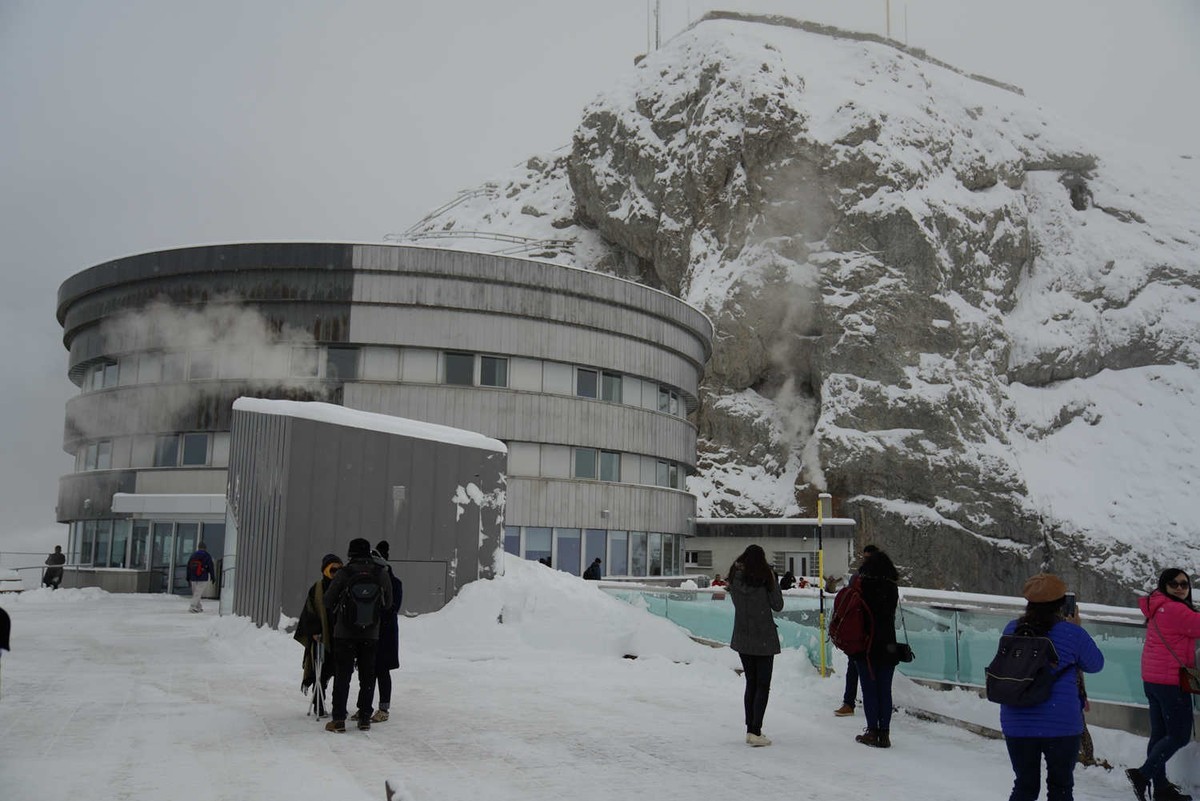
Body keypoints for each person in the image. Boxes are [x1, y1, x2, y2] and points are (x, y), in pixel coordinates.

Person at [1000, 573, 1104, 801]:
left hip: (1017, 721)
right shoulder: (1071, 633)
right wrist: (1077, 628)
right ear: (1062, 604)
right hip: (1061, 724)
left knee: (1024, 787)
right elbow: (1096, 664)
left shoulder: (1011, 629)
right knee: (1061, 788)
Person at [1126, 568, 1200, 801]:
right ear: (1164, 586)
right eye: (1174, 584)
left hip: (1153, 679)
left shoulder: (1157, 606)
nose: (1180, 587)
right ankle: (1143, 774)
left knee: (1159, 735)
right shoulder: (1175, 609)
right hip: (1170, 682)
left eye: (1184, 584)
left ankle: (1161, 789)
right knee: (1178, 735)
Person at [322, 537, 392, 733]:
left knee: (343, 675)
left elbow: (327, 600)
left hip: (344, 633)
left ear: (350, 553)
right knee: (367, 676)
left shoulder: (345, 572)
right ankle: (364, 718)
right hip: (370, 633)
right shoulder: (380, 573)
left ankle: (338, 720)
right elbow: (388, 603)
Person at [726, 544, 784, 746]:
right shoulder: (765, 577)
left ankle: (750, 728)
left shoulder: (735, 577)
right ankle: (755, 730)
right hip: (764, 638)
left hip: (743, 636)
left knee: (751, 683)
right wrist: (773, 580)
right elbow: (778, 605)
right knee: (763, 685)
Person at [851, 548, 902, 747]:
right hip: (888, 644)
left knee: (869, 689)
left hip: (866, 644)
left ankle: (872, 730)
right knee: (884, 690)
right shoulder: (892, 587)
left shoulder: (863, 586)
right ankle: (885, 733)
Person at [293, 553, 341, 718]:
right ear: (326, 570)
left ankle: (338, 706)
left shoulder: (344, 586)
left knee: (341, 674)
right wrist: (314, 631)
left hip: (340, 637)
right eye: (333, 569)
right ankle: (319, 704)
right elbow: (310, 611)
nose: (336, 573)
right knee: (322, 673)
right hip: (322, 637)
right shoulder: (318, 588)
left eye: (339, 569)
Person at [835, 544, 878, 717]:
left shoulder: (857, 578)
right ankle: (869, 704)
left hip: (859, 632)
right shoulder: (881, 580)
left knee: (854, 667)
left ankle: (849, 702)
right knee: (864, 668)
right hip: (869, 631)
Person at [365, 540, 403, 724]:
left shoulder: (393, 583)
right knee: (369, 671)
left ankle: (383, 708)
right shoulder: (374, 582)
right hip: (374, 632)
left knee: (381, 671)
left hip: (385, 634)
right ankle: (365, 707)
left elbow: (392, 608)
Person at [185, 542, 215, 613]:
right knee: (198, 593)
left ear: (198, 547)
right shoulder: (207, 555)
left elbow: (188, 566)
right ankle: (192, 607)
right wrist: (213, 577)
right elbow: (211, 567)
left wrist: (188, 577)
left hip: (193, 577)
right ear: (205, 548)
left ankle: (198, 607)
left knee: (196, 593)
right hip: (203, 577)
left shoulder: (193, 555)